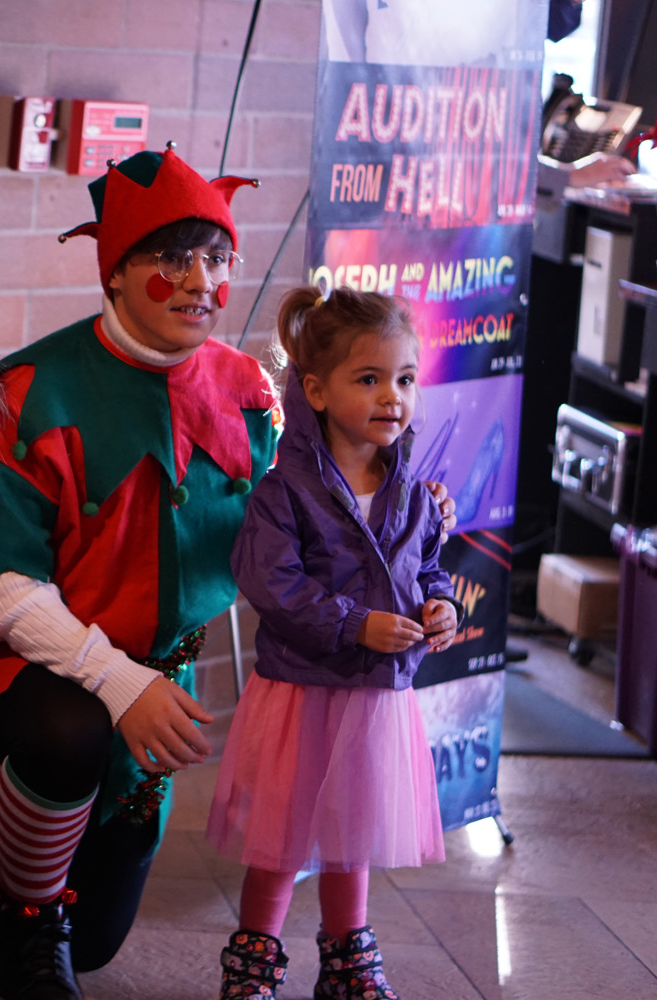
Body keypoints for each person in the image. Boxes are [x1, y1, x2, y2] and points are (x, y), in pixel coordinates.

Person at [0, 147, 274, 1000]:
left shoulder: (248, 392)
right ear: (117, 271)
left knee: (93, 942)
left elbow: (285, 536)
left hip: (158, 680)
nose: (201, 281)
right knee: (72, 734)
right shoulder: (29, 388)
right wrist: (120, 684)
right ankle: (29, 920)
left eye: (217, 257)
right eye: (173, 257)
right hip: (23, 667)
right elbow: (1, 590)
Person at [208, 286, 460, 1000]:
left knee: (356, 828)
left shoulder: (413, 492)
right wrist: (355, 624)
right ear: (316, 391)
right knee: (282, 835)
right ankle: (253, 962)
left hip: (376, 695)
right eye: (369, 378)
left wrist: (439, 605)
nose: (392, 397)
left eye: (404, 379)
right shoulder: (284, 492)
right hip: (302, 692)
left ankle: (349, 957)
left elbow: (426, 566)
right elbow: (274, 585)